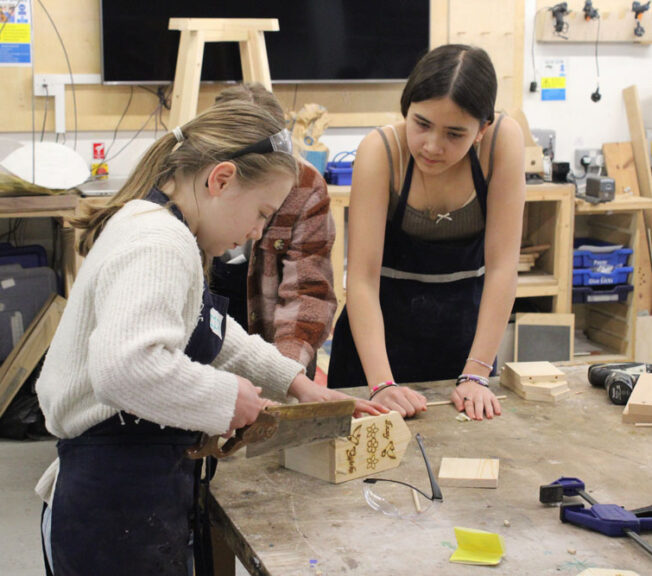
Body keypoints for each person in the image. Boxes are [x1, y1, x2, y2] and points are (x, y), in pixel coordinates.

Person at [35, 100, 383, 576]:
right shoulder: (160, 242)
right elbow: (125, 368)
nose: (256, 232)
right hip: (112, 505)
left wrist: (296, 384)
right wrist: (228, 398)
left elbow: (214, 334)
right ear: (220, 180)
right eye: (261, 212)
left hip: (127, 490)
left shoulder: (163, 227)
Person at [328, 44, 525, 421]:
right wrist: (382, 385)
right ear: (406, 109)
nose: (433, 146)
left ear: (482, 129)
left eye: (455, 133)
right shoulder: (381, 151)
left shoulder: (502, 142)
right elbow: (363, 281)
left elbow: (502, 267)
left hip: (464, 345)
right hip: (375, 351)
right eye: (421, 124)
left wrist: (476, 373)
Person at [210, 84, 336, 379]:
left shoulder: (304, 184)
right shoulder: (186, 188)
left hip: (274, 348)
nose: (255, 230)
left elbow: (308, 293)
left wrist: (283, 377)